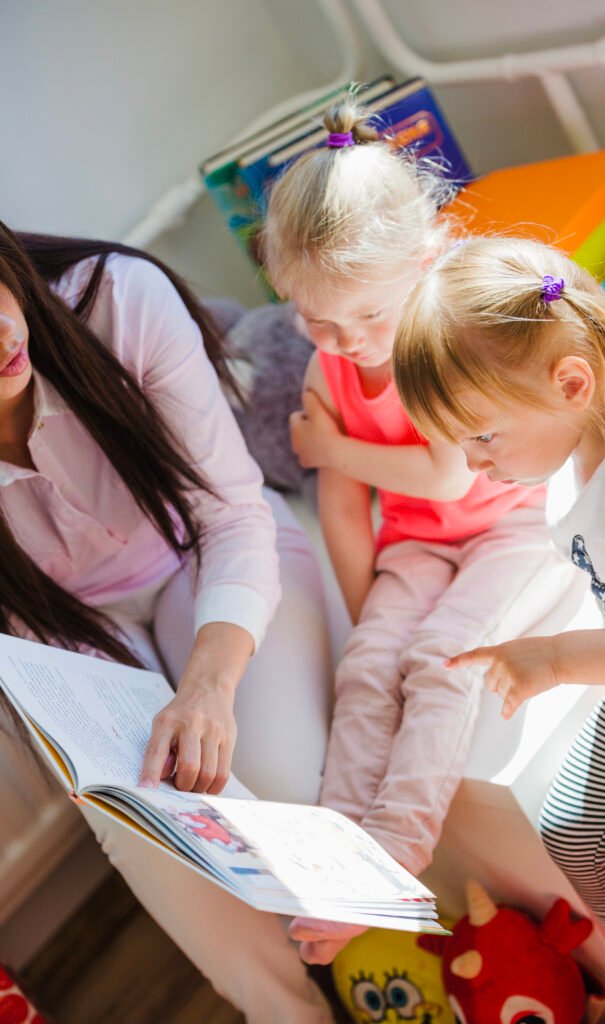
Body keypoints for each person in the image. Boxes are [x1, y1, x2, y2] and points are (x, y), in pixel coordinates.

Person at [262, 99, 585, 965]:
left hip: (511, 526)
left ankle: (396, 857)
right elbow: (338, 506)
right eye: (316, 321)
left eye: (366, 316)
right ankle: (332, 863)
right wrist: (370, 615)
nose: (347, 340)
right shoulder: (328, 363)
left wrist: (329, 444)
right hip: (417, 545)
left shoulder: (437, 342)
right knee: (368, 667)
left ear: (425, 259)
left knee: (439, 665)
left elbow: (448, 473)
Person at [0, 223, 336, 1024]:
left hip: (206, 553)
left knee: (283, 791)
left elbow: (229, 515)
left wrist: (210, 686)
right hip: (71, 629)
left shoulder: (116, 301)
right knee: (150, 827)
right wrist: (97, 746)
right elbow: (29, 637)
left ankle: (379, 971)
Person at [393, 234, 605, 1023]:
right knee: (569, 830)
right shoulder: (577, 448)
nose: (474, 464)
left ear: (570, 383)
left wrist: (555, 658)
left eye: (482, 437)